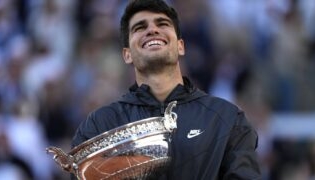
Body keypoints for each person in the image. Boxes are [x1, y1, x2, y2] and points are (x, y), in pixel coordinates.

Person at [72, 0, 262, 179]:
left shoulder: (227, 120)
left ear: (180, 46)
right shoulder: (99, 126)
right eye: (140, 27)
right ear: (127, 54)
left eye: (162, 24)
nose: (152, 30)